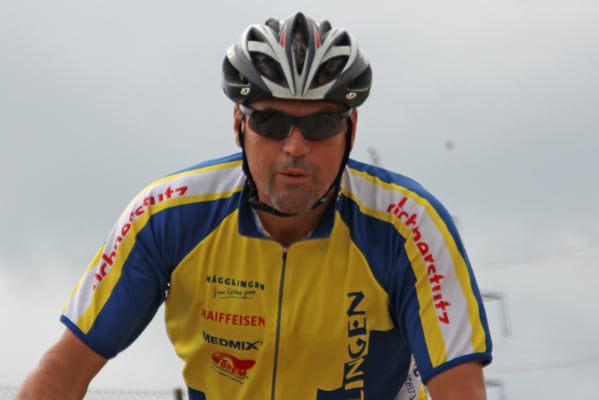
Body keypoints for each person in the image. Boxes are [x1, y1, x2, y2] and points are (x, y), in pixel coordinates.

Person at [16, 11, 492, 400]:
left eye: (320, 126)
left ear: (351, 130)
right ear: (239, 125)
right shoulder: (165, 216)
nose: (295, 147)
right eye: (271, 122)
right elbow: (64, 369)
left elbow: (461, 391)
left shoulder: (409, 225)